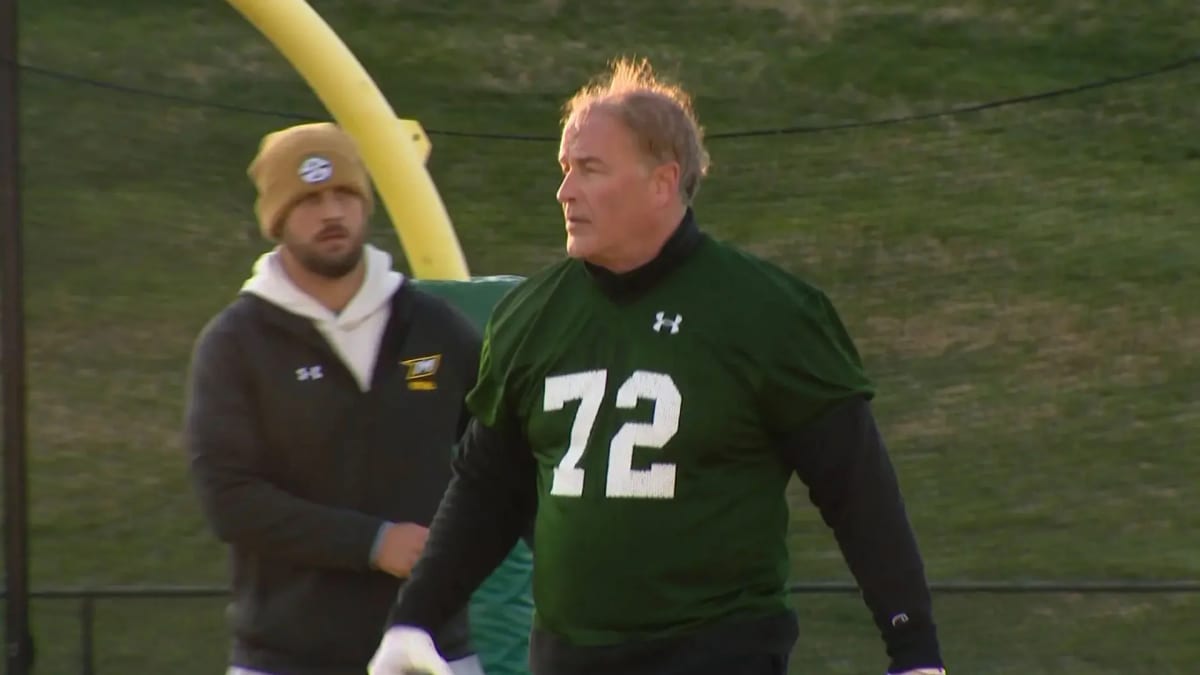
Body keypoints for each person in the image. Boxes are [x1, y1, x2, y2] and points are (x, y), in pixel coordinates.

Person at [368, 58, 947, 675]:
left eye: (590, 169)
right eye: (565, 169)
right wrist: (414, 618)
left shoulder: (766, 313)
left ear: (662, 182)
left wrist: (913, 648)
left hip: (715, 652)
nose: (565, 192)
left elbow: (856, 489)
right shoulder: (531, 316)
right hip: (568, 655)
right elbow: (487, 487)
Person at [183, 121, 487, 675]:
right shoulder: (235, 344)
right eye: (309, 199)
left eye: (344, 194)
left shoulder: (436, 329)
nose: (331, 213)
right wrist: (373, 542)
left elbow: (504, 457)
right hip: (285, 658)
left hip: (433, 651)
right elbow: (230, 500)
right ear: (276, 219)